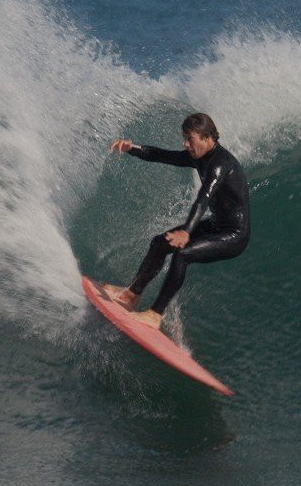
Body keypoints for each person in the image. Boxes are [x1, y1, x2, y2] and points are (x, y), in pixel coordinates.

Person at [107, 113, 250, 329]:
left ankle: (155, 315)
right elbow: (163, 155)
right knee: (159, 243)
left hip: (233, 235)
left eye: (189, 139)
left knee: (182, 254)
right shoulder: (199, 157)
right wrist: (132, 148)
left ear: (207, 137)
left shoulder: (221, 164)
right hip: (216, 226)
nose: (185, 144)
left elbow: (203, 200)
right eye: (184, 138)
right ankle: (131, 295)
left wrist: (186, 231)